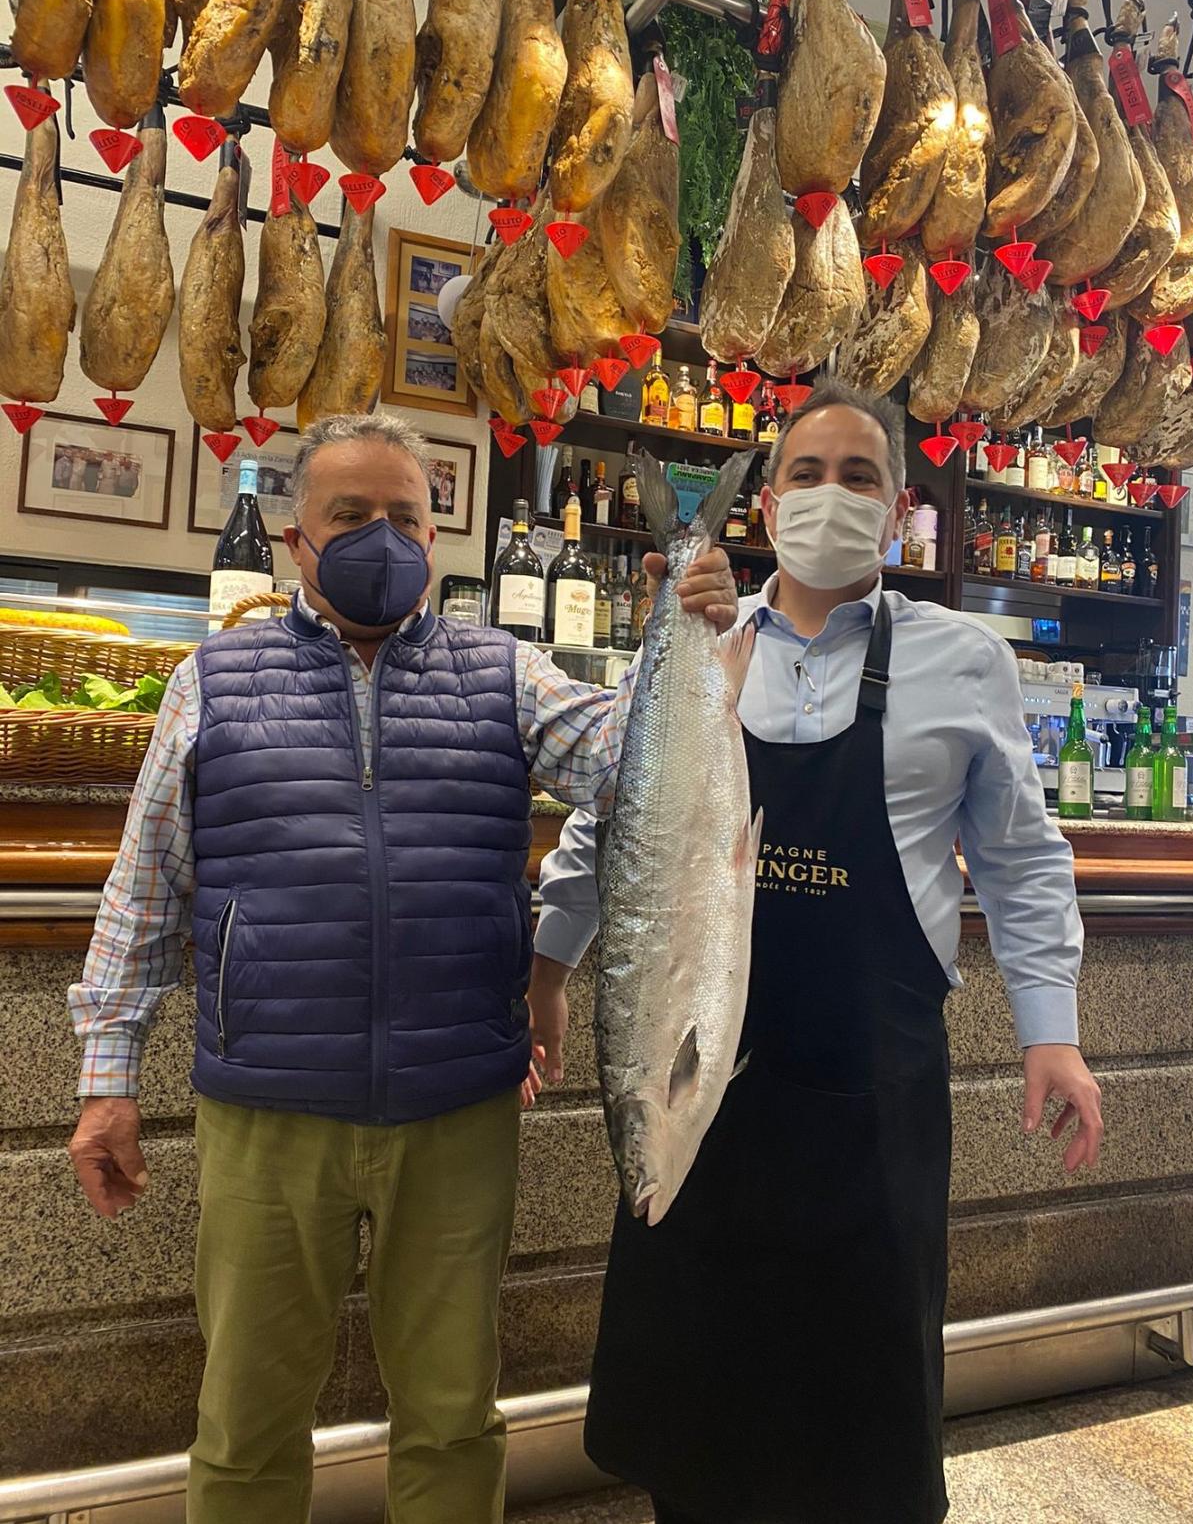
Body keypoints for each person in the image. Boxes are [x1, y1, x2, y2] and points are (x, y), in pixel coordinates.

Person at [66, 411, 736, 1524]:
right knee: (244, 1424)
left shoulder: (505, 675)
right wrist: (105, 1079)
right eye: (350, 516)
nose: (382, 536)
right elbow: (145, 892)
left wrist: (694, 623)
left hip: (457, 1112)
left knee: (452, 1418)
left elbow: (634, 769)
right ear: (295, 540)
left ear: (437, 540)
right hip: (270, 1115)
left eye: (405, 518)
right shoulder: (214, 679)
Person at [530, 381, 1104, 1524]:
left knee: (863, 1426)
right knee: (697, 1425)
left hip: (869, 1102)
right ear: (769, 502)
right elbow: (617, 825)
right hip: (702, 1097)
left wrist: (1055, 1035)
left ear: (897, 515)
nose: (831, 495)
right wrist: (550, 966)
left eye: (861, 477)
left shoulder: (961, 659)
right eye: (806, 473)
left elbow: (1021, 861)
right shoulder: (704, 647)